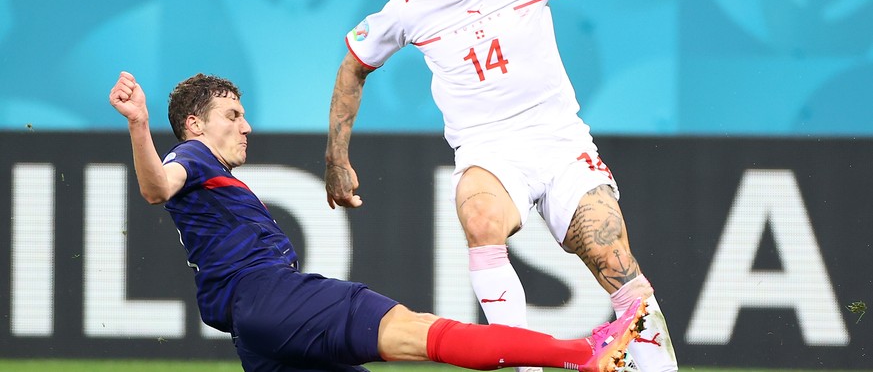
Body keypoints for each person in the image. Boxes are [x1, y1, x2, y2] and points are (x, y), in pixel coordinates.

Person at [324, 0, 773, 372]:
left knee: (615, 262)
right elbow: (354, 65)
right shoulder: (408, 9)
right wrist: (336, 158)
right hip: (488, 150)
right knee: (479, 218)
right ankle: (524, 366)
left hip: (559, 141)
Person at [108, 70, 647, 372]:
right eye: (232, 115)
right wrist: (140, 125)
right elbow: (157, 186)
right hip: (274, 298)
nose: (246, 126)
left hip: (257, 332)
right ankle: (585, 354)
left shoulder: (209, 174)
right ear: (195, 124)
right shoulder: (192, 156)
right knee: (421, 331)